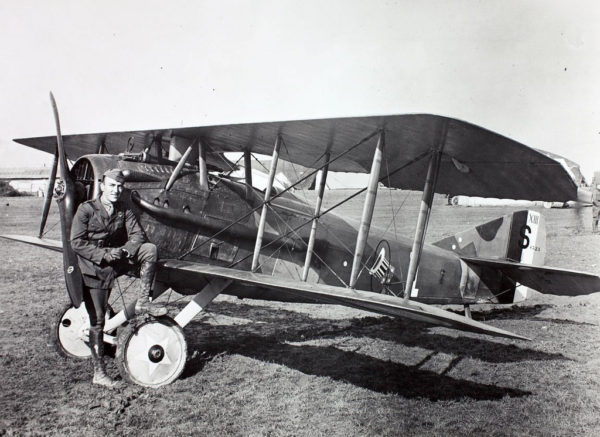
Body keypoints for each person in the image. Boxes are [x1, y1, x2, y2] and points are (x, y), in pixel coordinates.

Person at [71, 168, 167, 387]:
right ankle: (99, 373)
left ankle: (143, 302)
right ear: (102, 186)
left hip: (118, 258)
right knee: (97, 321)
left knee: (149, 249)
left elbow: (137, 236)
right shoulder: (86, 209)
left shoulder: (124, 209)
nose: (116, 190)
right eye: (112, 186)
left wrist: (123, 252)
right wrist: (104, 255)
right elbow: (76, 242)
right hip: (95, 266)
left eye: (119, 186)